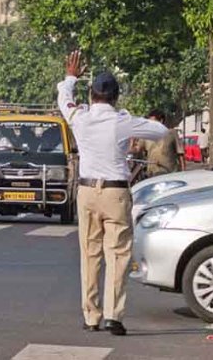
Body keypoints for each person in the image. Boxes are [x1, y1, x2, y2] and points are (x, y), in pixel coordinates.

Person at [57, 50, 167, 336]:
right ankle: (113, 316)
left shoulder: (79, 117)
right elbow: (159, 130)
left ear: (91, 96)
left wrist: (71, 77)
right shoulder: (122, 121)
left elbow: (63, 99)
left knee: (89, 254)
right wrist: (127, 118)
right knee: (117, 255)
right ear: (116, 97)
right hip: (115, 193)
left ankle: (91, 315)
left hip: (86, 192)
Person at [138, 110, 185, 178]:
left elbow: (180, 154)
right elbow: (136, 149)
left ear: (161, 121)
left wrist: (183, 172)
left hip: (170, 173)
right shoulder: (146, 135)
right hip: (152, 174)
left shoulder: (172, 133)